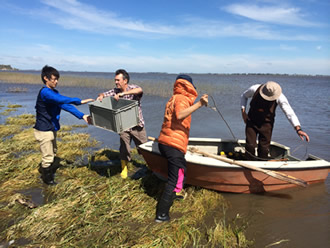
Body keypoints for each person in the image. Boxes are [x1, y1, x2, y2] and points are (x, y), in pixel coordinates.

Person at [155, 74, 208, 223]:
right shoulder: (182, 99)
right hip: (173, 145)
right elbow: (179, 115)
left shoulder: (174, 97)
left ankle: (175, 194)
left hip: (166, 141)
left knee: (181, 170)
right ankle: (162, 215)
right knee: (174, 179)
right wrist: (199, 104)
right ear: (189, 86)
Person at [34, 65, 94, 185]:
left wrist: (82, 115)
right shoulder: (45, 92)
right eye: (53, 79)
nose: (56, 82)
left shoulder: (54, 93)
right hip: (44, 129)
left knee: (53, 151)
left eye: (57, 79)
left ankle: (49, 171)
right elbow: (61, 100)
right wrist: (79, 101)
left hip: (51, 128)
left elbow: (64, 105)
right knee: (48, 155)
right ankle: (47, 180)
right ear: (46, 78)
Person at [97, 69, 147, 179]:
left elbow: (140, 90)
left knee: (144, 148)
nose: (116, 82)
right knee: (124, 147)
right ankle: (124, 168)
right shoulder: (115, 91)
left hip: (137, 125)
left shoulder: (132, 88)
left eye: (118, 80)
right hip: (123, 125)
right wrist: (101, 96)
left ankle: (150, 166)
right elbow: (105, 94)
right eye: (115, 80)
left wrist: (123, 93)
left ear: (125, 80)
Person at [240, 81, 310, 160]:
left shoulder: (280, 97)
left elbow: (289, 113)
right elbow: (244, 96)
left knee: (264, 149)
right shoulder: (254, 89)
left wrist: (298, 129)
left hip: (267, 124)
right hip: (252, 121)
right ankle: (248, 165)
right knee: (250, 146)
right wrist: (243, 112)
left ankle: (262, 165)